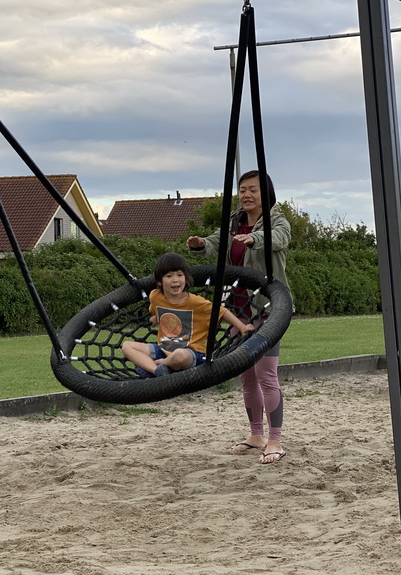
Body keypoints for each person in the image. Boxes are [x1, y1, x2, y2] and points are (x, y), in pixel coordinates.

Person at [186, 170, 292, 465]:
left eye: (253, 190)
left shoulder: (277, 220)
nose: (246, 195)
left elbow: (278, 239)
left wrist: (254, 239)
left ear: (265, 193)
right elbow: (219, 240)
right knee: (246, 375)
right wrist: (201, 243)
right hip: (239, 309)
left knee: (266, 374)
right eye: (243, 190)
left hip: (268, 308)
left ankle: (275, 440)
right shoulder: (234, 221)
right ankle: (256, 435)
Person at [121, 252, 253, 378]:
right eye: (169, 276)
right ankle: (157, 370)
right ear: (159, 281)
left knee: (179, 355)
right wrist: (155, 318)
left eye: (179, 275)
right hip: (163, 348)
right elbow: (156, 311)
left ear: (186, 278)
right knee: (127, 346)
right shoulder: (155, 296)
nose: (175, 280)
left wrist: (241, 327)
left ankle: (157, 364)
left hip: (191, 352)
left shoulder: (195, 302)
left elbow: (222, 311)